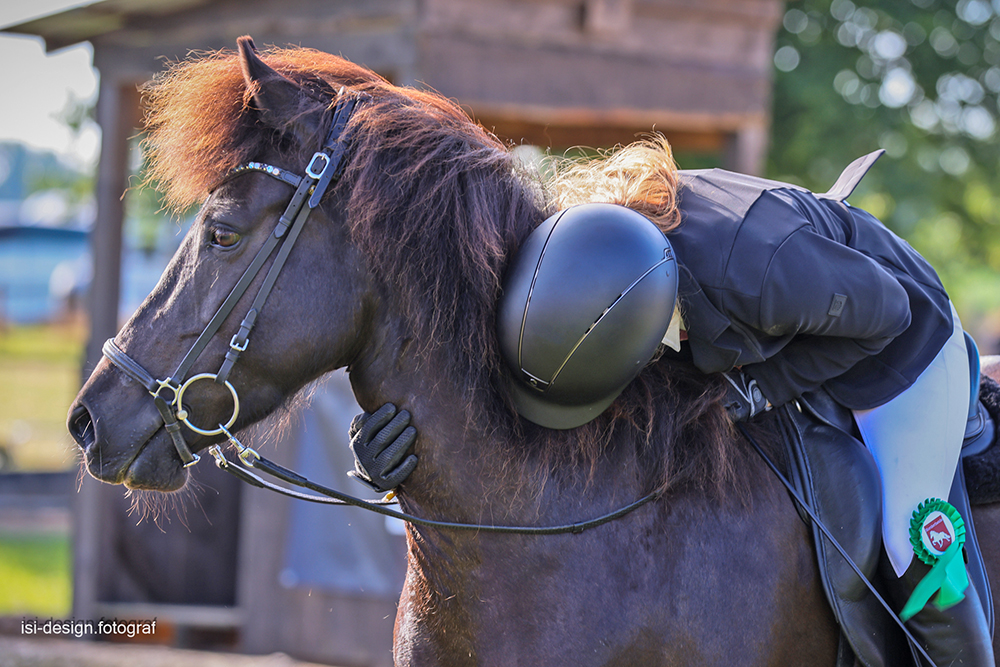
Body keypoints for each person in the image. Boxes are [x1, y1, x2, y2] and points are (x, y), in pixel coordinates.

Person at [350, 137, 993, 666]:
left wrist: (760, 390)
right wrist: (403, 447)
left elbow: (888, 312)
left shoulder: (761, 276)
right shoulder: (588, 254)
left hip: (901, 346)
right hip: (798, 309)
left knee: (917, 535)